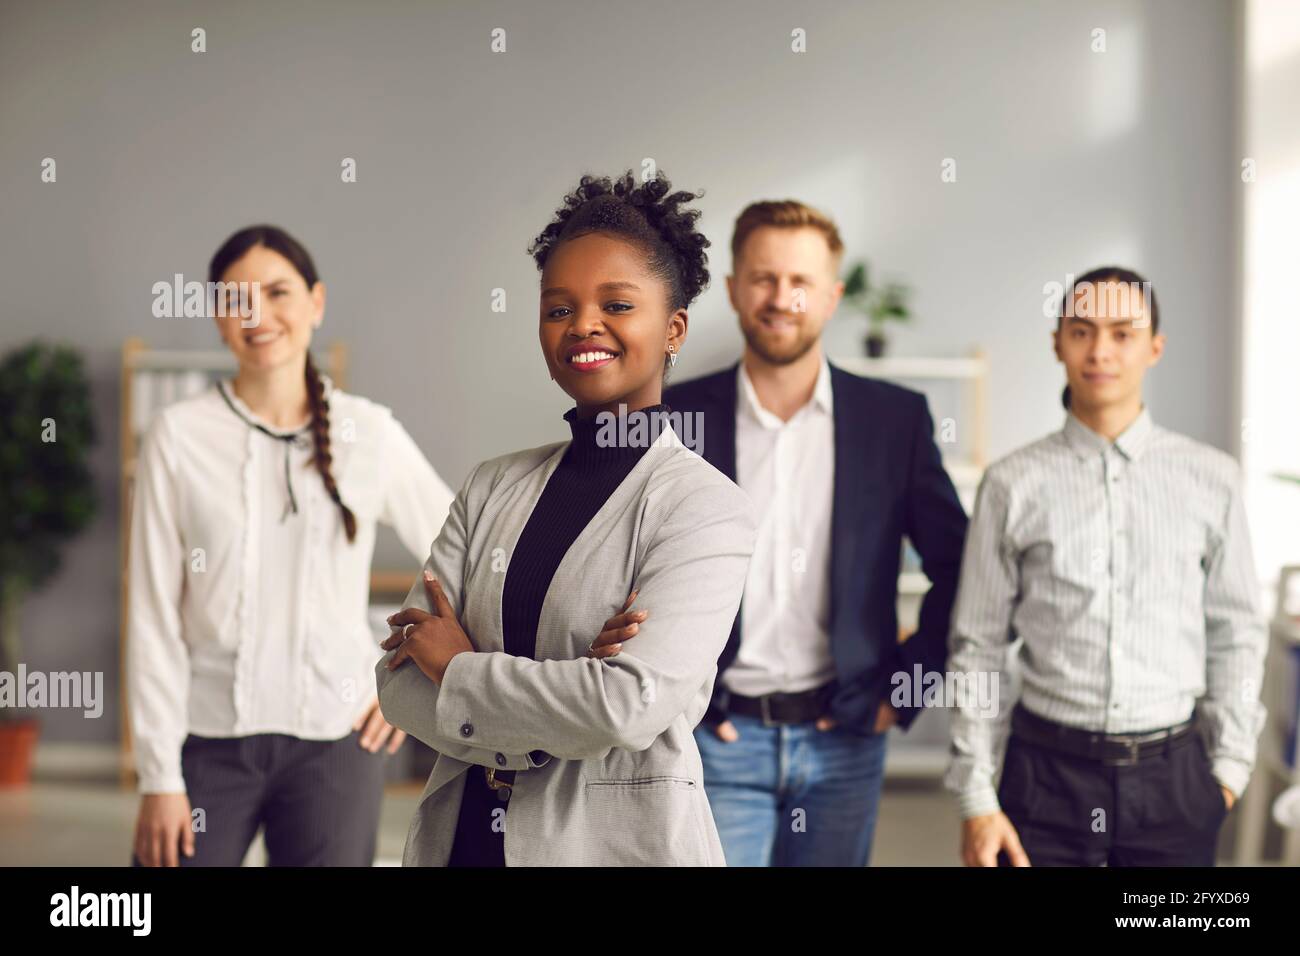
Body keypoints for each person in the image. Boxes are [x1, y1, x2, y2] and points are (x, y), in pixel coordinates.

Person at [375, 170, 757, 866]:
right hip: (463, 845)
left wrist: (460, 666)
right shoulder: (492, 486)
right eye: (558, 308)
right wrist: (567, 694)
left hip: (615, 848)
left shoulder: (705, 509)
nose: (582, 325)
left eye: (616, 303)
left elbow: (625, 705)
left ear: (673, 329)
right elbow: (399, 684)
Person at [129, 225, 455, 866]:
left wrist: (409, 681)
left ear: (316, 302)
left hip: (337, 747)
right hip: (207, 743)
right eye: (236, 299)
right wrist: (158, 776)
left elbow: (464, 552)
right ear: (219, 320)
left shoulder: (370, 431)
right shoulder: (177, 437)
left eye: (277, 292)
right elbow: (152, 614)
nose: (259, 316)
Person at [663, 200, 968, 866]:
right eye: (765, 279)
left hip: (846, 739)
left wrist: (905, 689)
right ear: (735, 290)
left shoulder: (895, 419)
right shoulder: (672, 416)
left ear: (831, 297)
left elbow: (961, 567)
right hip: (714, 734)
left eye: (801, 282)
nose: (782, 298)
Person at [947, 266, 1267, 867]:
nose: (1100, 351)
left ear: (1154, 347)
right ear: (1057, 342)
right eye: (1081, 330)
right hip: (1043, 778)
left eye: (1123, 333)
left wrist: (1228, 769)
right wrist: (976, 797)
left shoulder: (1212, 479)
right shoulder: (1012, 484)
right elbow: (978, 645)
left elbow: (1237, 632)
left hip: (1176, 781)